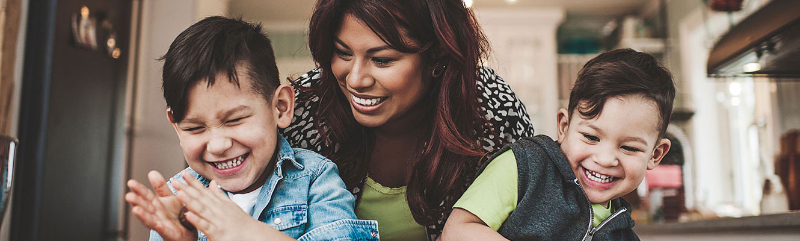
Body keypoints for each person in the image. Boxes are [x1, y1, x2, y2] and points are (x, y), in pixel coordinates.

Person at [281, 0, 534, 240]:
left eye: (382, 60)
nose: (355, 80)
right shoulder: (305, 109)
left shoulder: (491, 106)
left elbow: (536, 207)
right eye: (343, 53)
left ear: (437, 54)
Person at [124, 16, 379, 241]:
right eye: (194, 128)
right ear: (176, 127)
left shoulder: (315, 180)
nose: (218, 145)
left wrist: (250, 233)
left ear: (280, 107)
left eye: (234, 120)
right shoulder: (179, 201)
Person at [441, 48, 675, 240]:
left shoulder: (623, 234)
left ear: (655, 155)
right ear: (564, 126)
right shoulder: (524, 166)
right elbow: (456, 232)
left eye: (629, 148)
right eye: (591, 137)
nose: (604, 159)